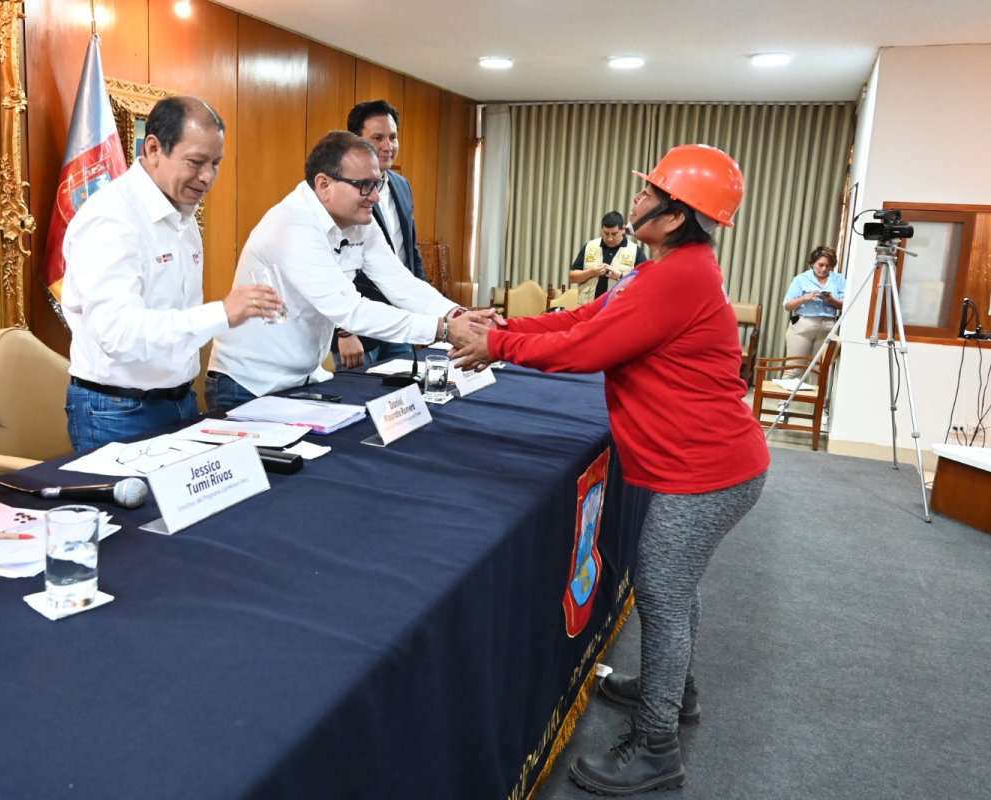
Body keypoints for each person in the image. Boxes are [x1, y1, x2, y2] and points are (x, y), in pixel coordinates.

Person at [448, 144, 769, 795]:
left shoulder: (679, 275)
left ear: (676, 215)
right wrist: (507, 325)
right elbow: (584, 316)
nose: (637, 201)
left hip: (706, 471)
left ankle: (656, 747)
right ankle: (673, 693)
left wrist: (499, 346)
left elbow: (589, 348)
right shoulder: (666, 268)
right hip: (705, 463)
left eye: (650, 193)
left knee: (661, 590)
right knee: (675, 587)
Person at [60, 96, 279, 451]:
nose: (207, 177)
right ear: (153, 148)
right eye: (195, 162)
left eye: (215, 163)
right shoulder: (111, 218)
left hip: (181, 400)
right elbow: (119, 334)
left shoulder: (182, 213)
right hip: (118, 410)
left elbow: (173, 318)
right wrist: (220, 313)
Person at [206, 131, 466, 410]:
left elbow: (399, 281)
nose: (376, 197)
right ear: (324, 184)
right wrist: (443, 329)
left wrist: (458, 315)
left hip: (304, 378)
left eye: (377, 183)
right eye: (365, 186)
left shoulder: (358, 221)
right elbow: (349, 310)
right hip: (249, 384)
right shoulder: (292, 225)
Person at [330, 100, 429, 369]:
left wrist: (424, 312)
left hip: (399, 319)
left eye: (393, 137)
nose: (388, 146)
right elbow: (331, 268)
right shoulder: (340, 191)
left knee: (403, 401)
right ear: (356, 142)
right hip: (360, 328)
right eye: (378, 138)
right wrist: (344, 331)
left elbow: (410, 252)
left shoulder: (401, 185)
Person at [782, 245, 845, 377]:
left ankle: (818, 398)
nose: (824, 269)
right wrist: (805, 298)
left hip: (828, 327)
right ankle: (785, 399)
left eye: (828, 266)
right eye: (820, 265)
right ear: (812, 264)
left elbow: (846, 305)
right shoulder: (801, 279)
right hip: (803, 326)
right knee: (794, 369)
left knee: (820, 372)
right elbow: (787, 305)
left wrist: (831, 300)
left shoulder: (839, 279)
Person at [567, 211, 648, 305]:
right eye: (606, 233)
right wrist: (591, 272)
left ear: (623, 230)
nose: (609, 238)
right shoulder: (590, 246)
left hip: (616, 311)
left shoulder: (635, 251)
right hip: (587, 309)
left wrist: (621, 275)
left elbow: (645, 281)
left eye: (614, 234)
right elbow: (572, 277)